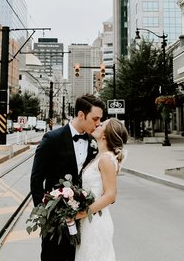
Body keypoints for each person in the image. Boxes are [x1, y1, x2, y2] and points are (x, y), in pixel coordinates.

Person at [30, 94, 105, 261]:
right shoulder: (52, 139)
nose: (98, 123)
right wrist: (45, 215)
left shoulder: (94, 143)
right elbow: (36, 180)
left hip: (84, 220)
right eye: (95, 118)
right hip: (55, 220)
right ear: (80, 115)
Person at [74, 117, 128, 261]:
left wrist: (82, 213)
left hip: (95, 221)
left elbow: (111, 195)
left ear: (105, 134)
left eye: (102, 124)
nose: (97, 124)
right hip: (89, 220)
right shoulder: (100, 156)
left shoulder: (106, 159)